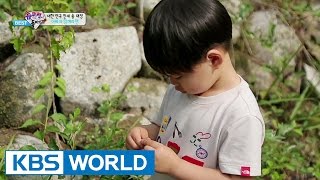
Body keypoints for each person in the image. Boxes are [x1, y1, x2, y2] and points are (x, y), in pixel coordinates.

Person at [126, 0, 265, 179]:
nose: (172, 82)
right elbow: (162, 128)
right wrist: (144, 133)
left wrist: (176, 167)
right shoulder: (180, 89)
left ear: (214, 60)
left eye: (178, 75)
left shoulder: (241, 116)